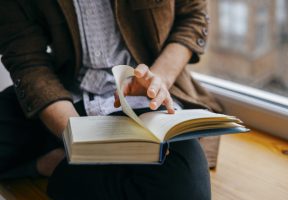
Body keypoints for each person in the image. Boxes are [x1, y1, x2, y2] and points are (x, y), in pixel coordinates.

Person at [0, 0, 222, 199]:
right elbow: (28, 61)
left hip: (147, 99)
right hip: (64, 99)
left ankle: (59, 166)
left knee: (185, 187)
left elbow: (193, 15)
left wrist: (158, 79)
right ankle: (63, 165)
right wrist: (78, 138)